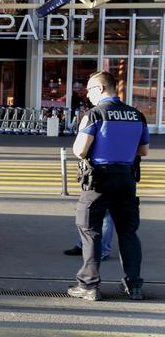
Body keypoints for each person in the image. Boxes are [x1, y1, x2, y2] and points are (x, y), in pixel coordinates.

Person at [67, 71, 149, 302]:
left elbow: (80, 150)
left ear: (101, 89)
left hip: (98, 180)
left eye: (90, 90)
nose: (88, 95)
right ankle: (134, 286)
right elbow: (143, 151)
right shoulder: (136, 115)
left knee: (90, 230)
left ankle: (89, 285)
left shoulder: (94, 114)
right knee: (128, 232)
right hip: (126, 178)